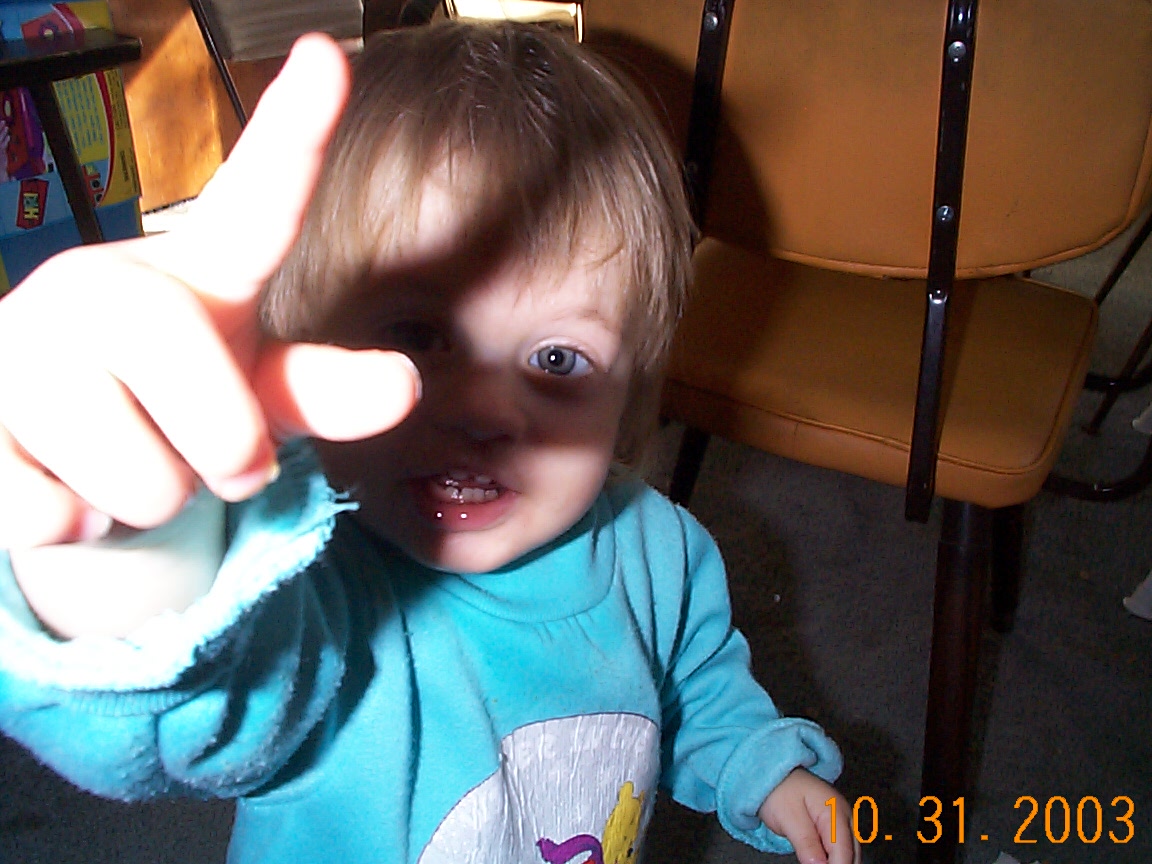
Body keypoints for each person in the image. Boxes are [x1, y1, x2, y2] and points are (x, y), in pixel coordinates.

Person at [0, 21, 859, 864]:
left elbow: (693, 681)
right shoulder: (314, 598)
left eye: (557, 359)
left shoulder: (660, 549)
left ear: (630, 393)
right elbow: (198, 702)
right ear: (301, 342)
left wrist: (758, 764)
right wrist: (133, 535)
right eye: (418, 335)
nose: (485, 414)